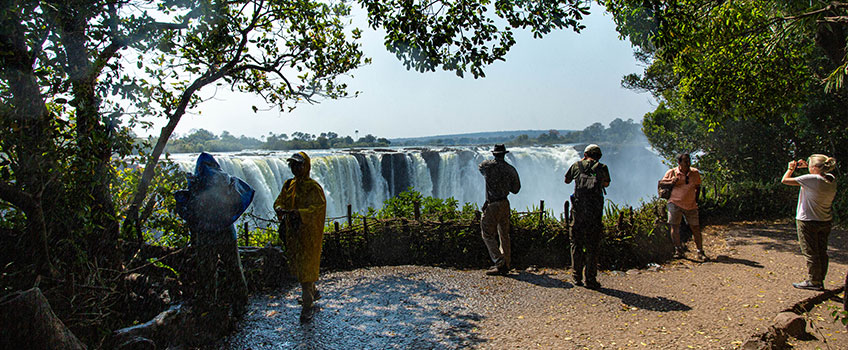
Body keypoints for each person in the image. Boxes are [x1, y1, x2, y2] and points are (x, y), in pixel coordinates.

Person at [174, 152, 252, 316]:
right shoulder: (225, 179)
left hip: (206, 232)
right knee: (234, 267)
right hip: (226, 230)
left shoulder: (198, 182)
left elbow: (189, 210)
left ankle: (208, 303)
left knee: (207, 270)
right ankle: (240, 300)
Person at [274, 152, 327, 321]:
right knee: (301, 267)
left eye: (299, 165)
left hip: (309, 236)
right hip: (294, 235)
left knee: (305, 270)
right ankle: (314, 291)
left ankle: (307, 307)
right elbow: (279, 201)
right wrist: (280, 209)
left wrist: (300, 213)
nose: (295, 168)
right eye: (293, 165)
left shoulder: (314, 187)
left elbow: (318, 209)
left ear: (306, 166)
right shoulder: (289, 184)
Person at [782, 154, 837, 291]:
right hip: (824, 220)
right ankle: (819, 279)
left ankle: (814, 281)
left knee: (811, 252)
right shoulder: (831, 179)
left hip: (808, 221)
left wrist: (791, 168)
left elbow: (785, 180)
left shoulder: (812, 179)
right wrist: (810, 167)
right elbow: (817, 175)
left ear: (814, 167)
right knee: (821, 251)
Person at [565, 144, 610, 289]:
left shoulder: (576, 165)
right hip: (594, 213)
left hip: (578, 212)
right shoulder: (602, 168)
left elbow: (566, 180)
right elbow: (606, 184)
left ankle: (576, 277)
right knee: (592, 246)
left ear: (585, 154)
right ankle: (590, 279)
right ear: (599, 156)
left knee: (576, 244)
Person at [478, 144, 521, 276]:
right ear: (504, 154)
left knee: (487, 233)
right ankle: (507, 263)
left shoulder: (487, 166)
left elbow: (480, 168)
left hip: (493, 204)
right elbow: (516, 190)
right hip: (505, 203)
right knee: (504, 234)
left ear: (494, 154)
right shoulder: (510, 169)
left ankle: (499, 261)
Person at [659, 153, 706, 260]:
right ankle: (678, 250)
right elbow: (661, 183)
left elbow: (697, 187)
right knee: (675, 227)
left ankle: (700, 251)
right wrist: (672, 181)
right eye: (685, 161)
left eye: (689, 161)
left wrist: (695, 200)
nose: (688, 163)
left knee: (695, 227)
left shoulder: (695, 173)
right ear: (679, 163)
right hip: (674, 203)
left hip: (691, 204)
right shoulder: (672, 172)